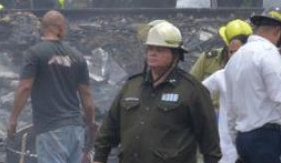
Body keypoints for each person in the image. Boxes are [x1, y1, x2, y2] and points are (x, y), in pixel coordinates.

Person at [94, 21, 222, 163]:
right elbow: (108, 131)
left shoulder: (192, 90)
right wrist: (99, 159)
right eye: (150, 48)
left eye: (160, 49)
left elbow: (210, 144)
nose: (153, 53)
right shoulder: (132, 86)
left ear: (175, 54)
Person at [223, 7, 281, 163]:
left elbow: (230, 108)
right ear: (277, 31)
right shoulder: (268, 55)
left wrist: (237, 143)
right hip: (268, 139)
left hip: (244, 138)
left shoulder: (234, 60)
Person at [9, 11, 95, 163]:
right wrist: (91, 123)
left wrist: (13, 119)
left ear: (43, 28)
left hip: (51, 129)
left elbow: (24, 88)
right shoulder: (78, 57)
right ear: (61, 28)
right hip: (75, 129)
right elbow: (86, 96)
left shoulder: (34, 54)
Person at [201, 21, 252, 163]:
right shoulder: (221, 76)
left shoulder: (259, 75)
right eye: (231, 51)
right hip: (226, 148)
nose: (234, 55)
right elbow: (196, 93)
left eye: (239, 51)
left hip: (252, 143)